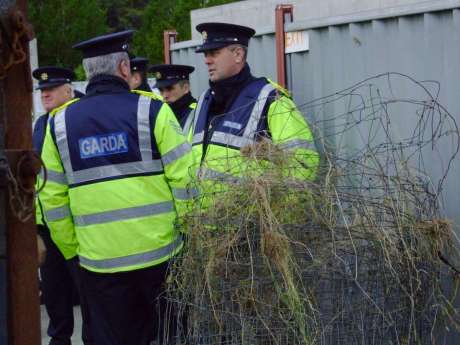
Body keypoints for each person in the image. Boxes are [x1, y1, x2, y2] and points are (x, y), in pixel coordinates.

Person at [38, 30, 193, 345]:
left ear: (87, 73)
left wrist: (73, 252)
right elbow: (186, 179)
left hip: (98, 263)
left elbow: (51, 198)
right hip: (160, 258)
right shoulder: (152, 111)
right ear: (125, 69)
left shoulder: (58, 125)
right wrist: (187, 235)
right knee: (168, 336)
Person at [191, 22, 319, 187]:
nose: (207, 61)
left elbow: (304, 164)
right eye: (205, 54)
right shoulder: (203, 101)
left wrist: (274, 208)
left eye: (214, 53)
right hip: (200, 213)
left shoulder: (271, 99)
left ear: (238, 54)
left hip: (251, 212)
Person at [32, 66, 92, 345]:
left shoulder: (80, 119)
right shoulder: (42, 124)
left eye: (51, 89)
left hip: (76, 227)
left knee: (88, 295)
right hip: (48, 226)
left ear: (69, 90)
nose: (45, 94)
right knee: (55, 297)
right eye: (42, 90)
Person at [149, 64, 196, 133]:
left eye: (169, 89)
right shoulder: (160, 114)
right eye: (161, 90)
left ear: (186, 88)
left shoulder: (198, 113)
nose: (164, 95)